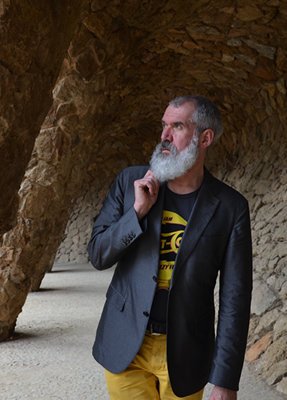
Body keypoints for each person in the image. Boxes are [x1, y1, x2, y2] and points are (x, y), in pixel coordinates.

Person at [87, 95, 253, 400]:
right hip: (126, 345)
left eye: (177, 126)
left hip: (186, 352)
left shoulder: (231, 208)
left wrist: (226, 381)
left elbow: (236, 299)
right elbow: (98, 254)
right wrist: (137, 212)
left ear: (205, 138)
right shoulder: (130, 183)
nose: (164, 135)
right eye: (164, 125)